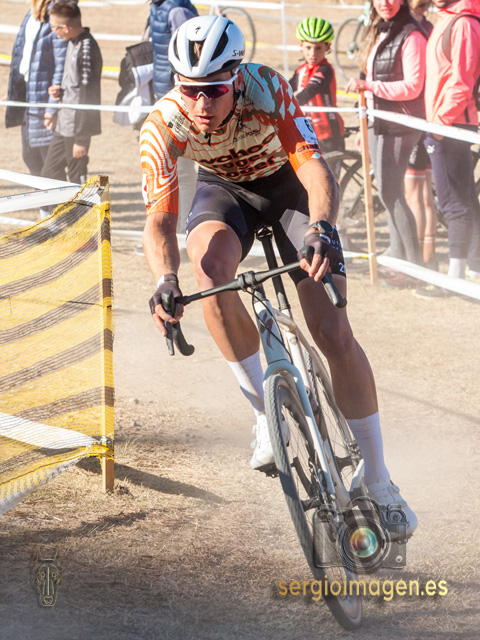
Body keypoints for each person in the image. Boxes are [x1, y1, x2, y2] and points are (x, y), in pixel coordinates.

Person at [140, 15, 417, 535]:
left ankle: (379, 479)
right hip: (224, 193)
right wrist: (165, 281)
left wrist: (322, 228)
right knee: (208, 272)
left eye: (214, 89)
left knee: (333, 331)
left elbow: (315, 170)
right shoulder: (164, 123)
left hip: (289, 189)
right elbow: (160, 220)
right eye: (190, 89)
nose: (202, 103)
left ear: (236, 78)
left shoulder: (267, 88)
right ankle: (266, 416)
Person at [345, 0, 427, 281]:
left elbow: (413, 86)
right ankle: (398, 256)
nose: (385, 3)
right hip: (377, 119)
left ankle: (413, 265)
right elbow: (368, 74)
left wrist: (369, 86)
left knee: (391, 193)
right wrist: (364, 124)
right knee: (387, 193)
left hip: (399, 123)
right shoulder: (378, 28)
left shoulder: (411, 35)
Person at [424, 0, 480, 283]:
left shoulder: (464, 23)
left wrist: (438, 125)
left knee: (453, 203)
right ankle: (474, 266)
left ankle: (455, 278)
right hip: (444, 123)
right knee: (465, 199)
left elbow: (462, 81)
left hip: (450, 124)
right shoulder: (447, 18)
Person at [5, 0, 68, 218]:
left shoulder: (56, 13)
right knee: (31, 158)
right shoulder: (30, 14)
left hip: (44, 102)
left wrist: (52, 107)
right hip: (27, 99)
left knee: (49, 166)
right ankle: (46, 218)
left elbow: (61, 64)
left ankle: (58, 220)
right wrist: (15, 93)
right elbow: (22, 57)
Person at [41, 1, 102, 186]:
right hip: (64, 124)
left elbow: (89, 95)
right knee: (49, 173)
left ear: (65, 27)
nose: (53, 32)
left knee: (77, 179)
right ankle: (60, 206)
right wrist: (60, 92)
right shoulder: (71, 43)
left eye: (54, 27)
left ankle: (82, 207)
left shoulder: (87, 48)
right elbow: (75, 87)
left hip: (77, 130)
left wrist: (81, 139)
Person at [149, 0, 198, 231]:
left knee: (183, 172)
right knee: (171, 171)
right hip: (165, 100)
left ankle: (182, 233)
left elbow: (192, 58)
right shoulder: (157, 7)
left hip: (182, 103)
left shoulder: (177, 10)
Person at [404, 0, 438, 270]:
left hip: (417, 119)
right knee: (425, 193)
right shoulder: (430, 27)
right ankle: (428, 258)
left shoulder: (414, 30)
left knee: (415, 193)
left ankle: (417, 262)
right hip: (428, 117)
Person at [289, 17, 345, 165]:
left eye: (318, 48)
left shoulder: (325, 70)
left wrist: (286, 106)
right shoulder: (301, 70)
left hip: (329, 133)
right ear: (301, 45)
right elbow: (286, 88)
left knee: (330, 177)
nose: (312, 53)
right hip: (308, 132)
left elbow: (308, 92)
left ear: (328, 47)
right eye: (308, 47)